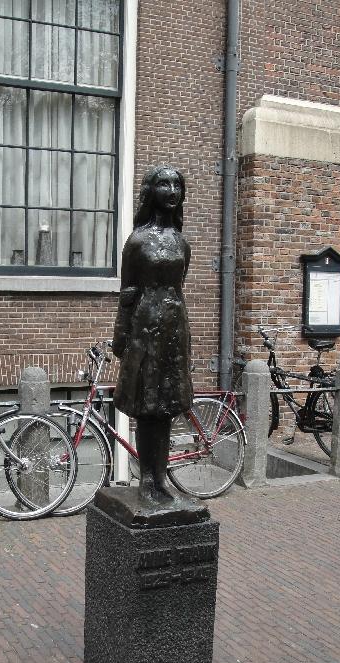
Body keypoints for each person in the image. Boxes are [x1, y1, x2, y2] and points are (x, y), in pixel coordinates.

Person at [112, 166, 193, 504]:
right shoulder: (137, 241)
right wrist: (121, 334)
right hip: (145, 324)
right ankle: (146, 478)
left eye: (176, 184)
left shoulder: (180, 241)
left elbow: (180, 285)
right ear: (151, 190)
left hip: (174, 324)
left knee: (167, 405)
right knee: (147, 406)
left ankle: (161, 478)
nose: (172, 190)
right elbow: (127, 291)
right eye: (164, 183)